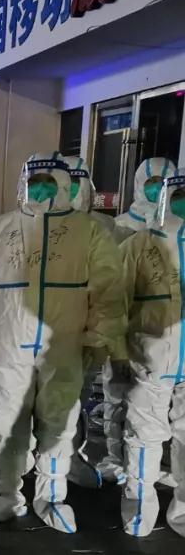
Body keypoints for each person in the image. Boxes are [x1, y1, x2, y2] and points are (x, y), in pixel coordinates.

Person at [0, 152, 126, 532]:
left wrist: (99, 338)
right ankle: (7, 493)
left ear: (65, 186)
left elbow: (108, 291)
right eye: (35, 181)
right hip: (8, 345)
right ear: (23, 184)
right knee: (6, 422)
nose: (42, 189)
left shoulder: (90, 231)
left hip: (64, 346)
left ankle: (52, 496)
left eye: (51, 182)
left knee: (59, 423)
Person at [119, 169, 185, 537]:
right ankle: (139, 509)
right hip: (152, 358)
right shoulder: (139, 245)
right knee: (144, 435)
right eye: (178, 195)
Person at [62, 156, 119, 489]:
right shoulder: (38, 225)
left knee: (78, 395)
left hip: (87, 326)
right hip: (46, 326)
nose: (71, 190)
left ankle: (70, 455)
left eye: (76, 183)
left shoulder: (107, 226)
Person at [115, 157, 178, 240]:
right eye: (151, 181)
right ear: (139, 183)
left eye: (161, 182)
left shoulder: (179, 227)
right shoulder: (119, 225)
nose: (156, 189)